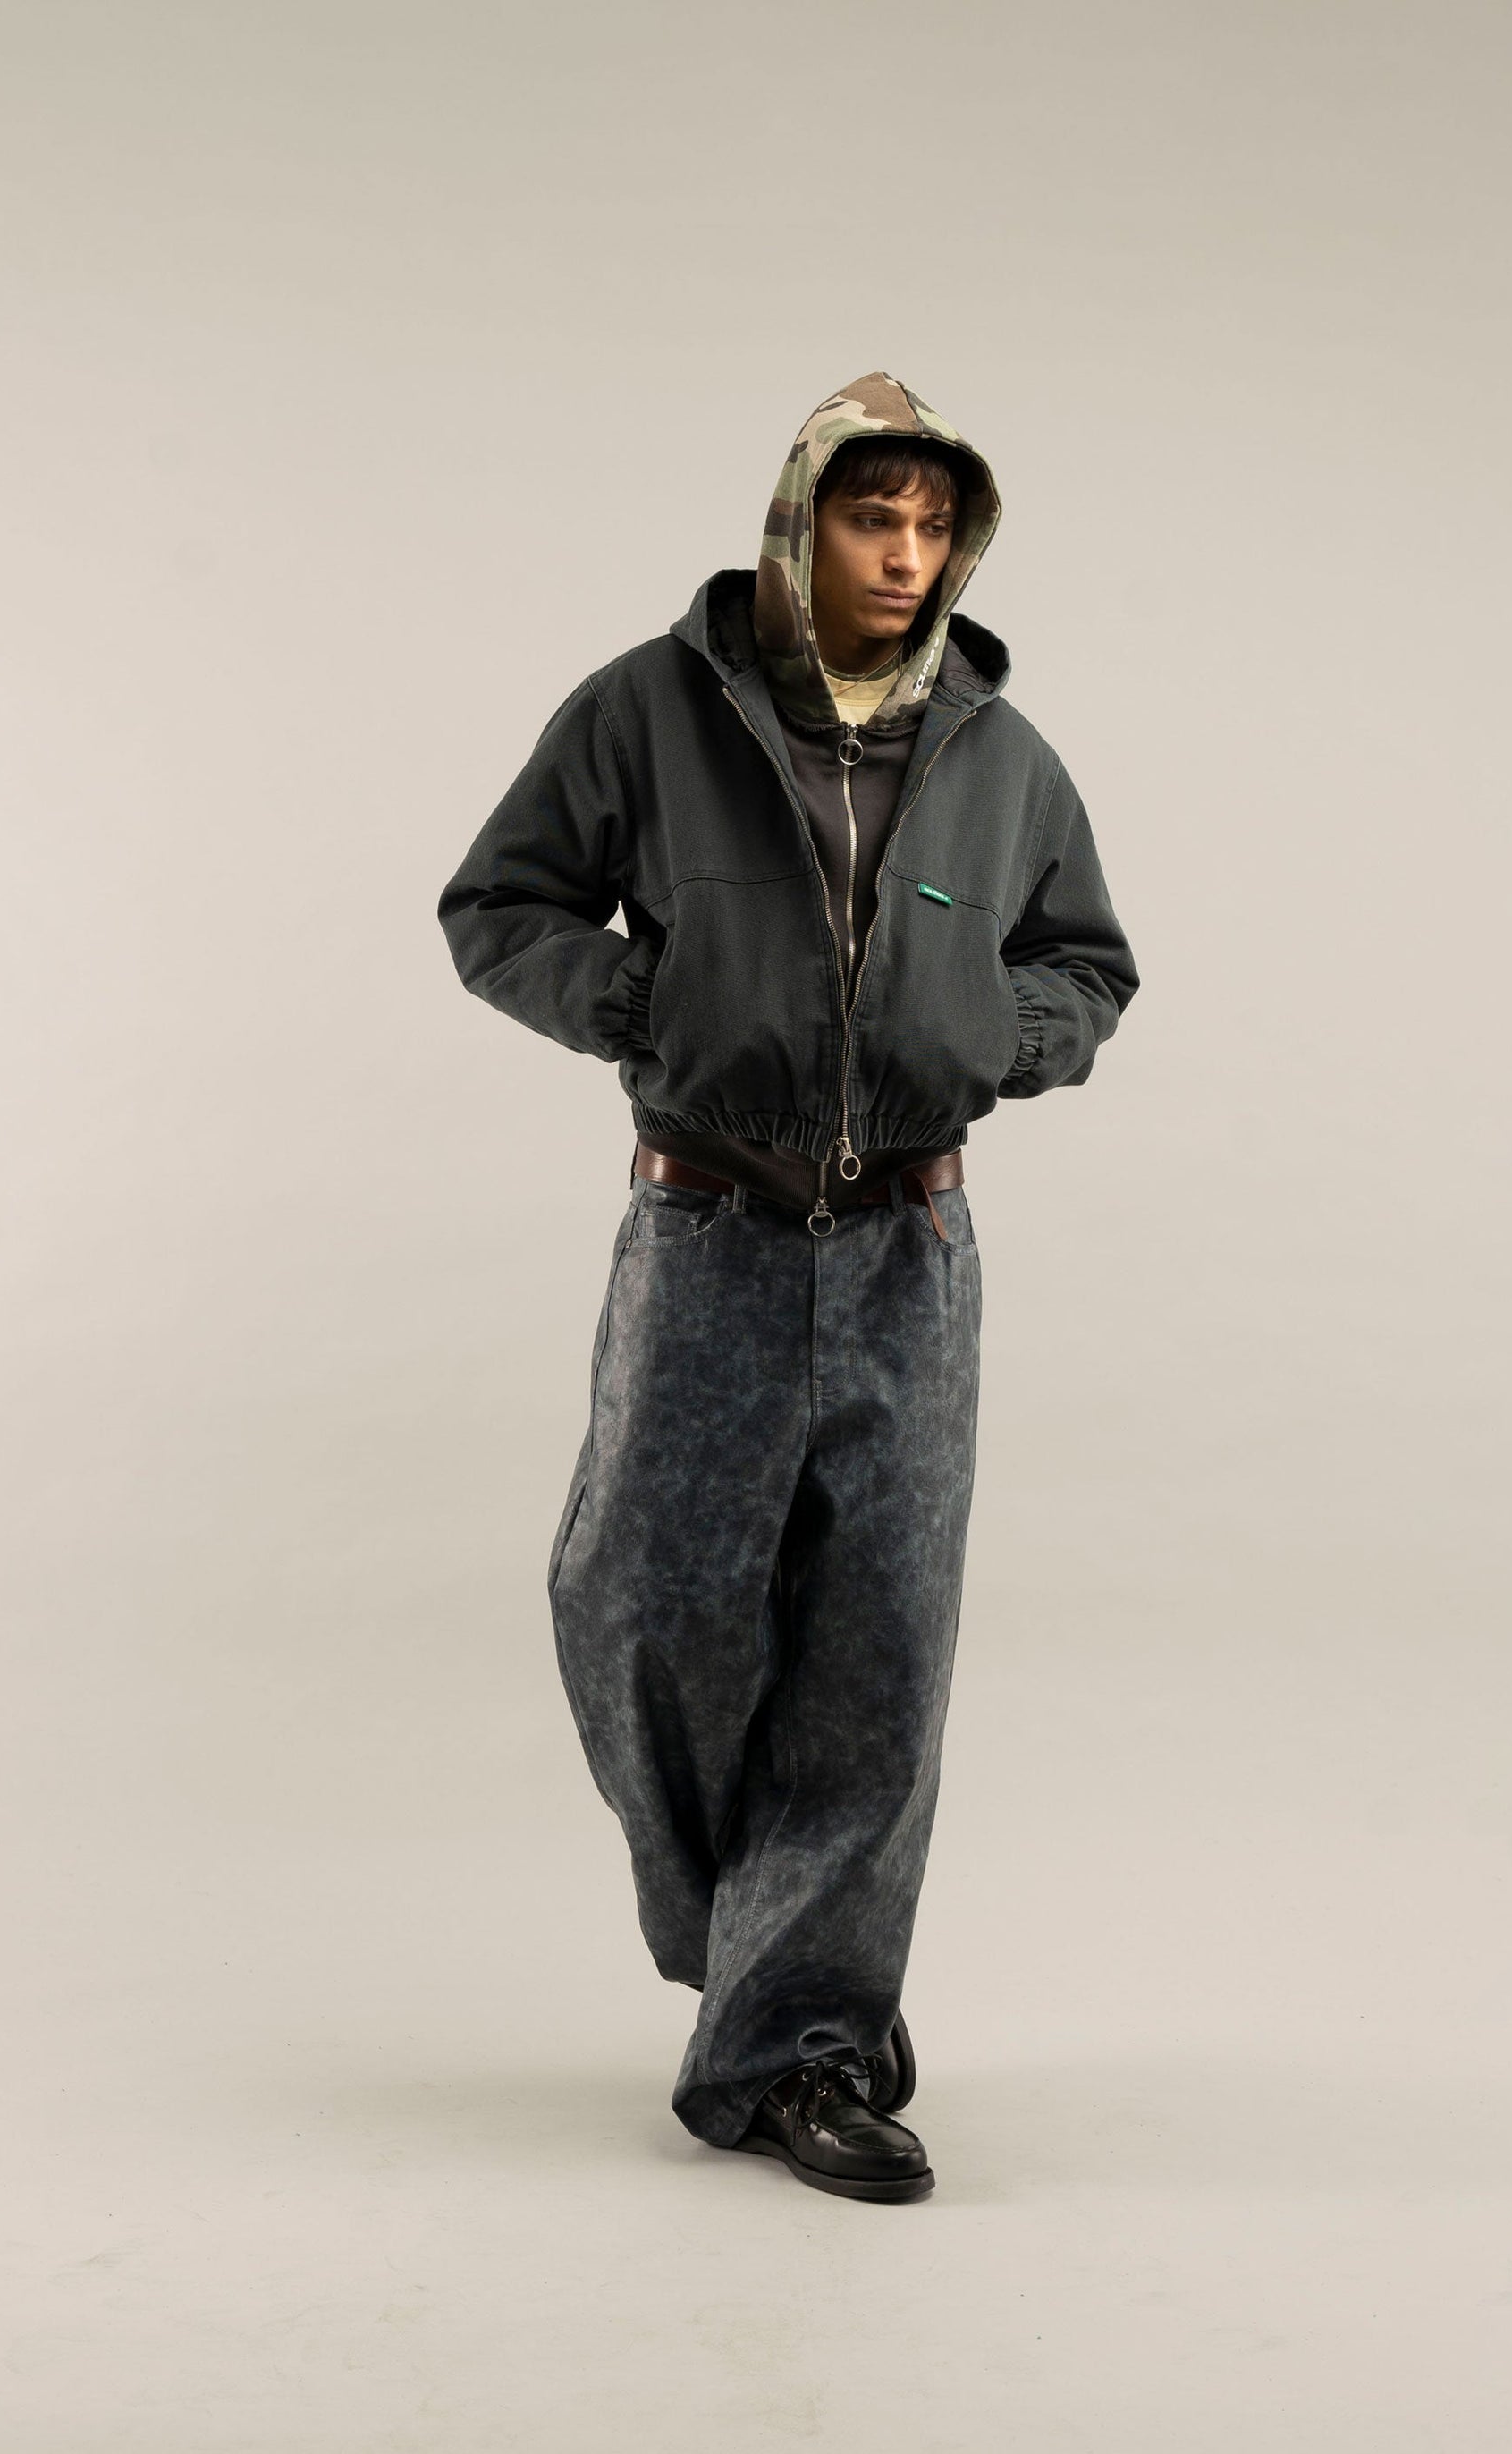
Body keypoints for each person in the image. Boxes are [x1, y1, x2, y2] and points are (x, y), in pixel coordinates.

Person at [439, 373, 1138, 2203]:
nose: (904, 556)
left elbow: (1086, 962)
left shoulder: (1000, 751)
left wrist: (998, 1036)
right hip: (707, 1238)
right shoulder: (647, 709)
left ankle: (807, 2035)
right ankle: (764, 1943)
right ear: (797, 520)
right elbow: (499, 907)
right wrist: (641, 1007)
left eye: (933, 526)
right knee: (639, 1605)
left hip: (912, 1253)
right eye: (869, 517)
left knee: (875, 1655)